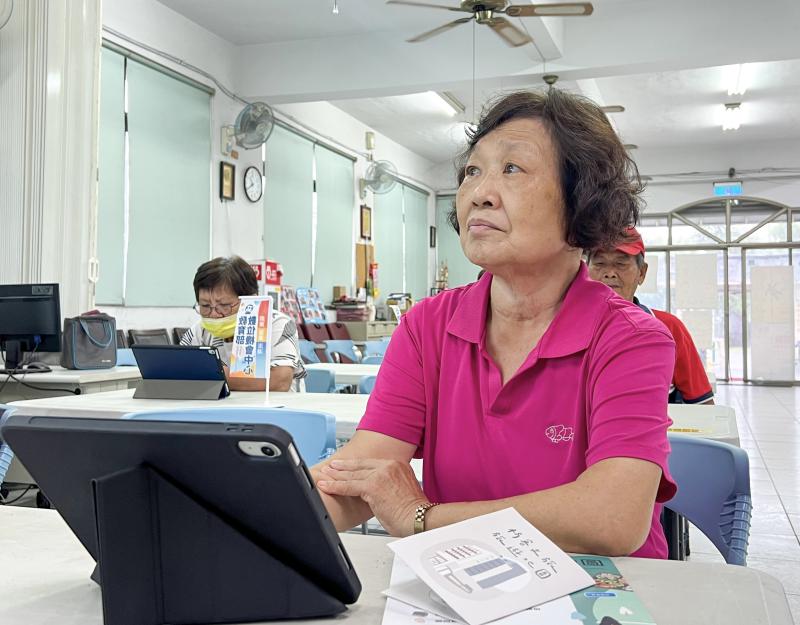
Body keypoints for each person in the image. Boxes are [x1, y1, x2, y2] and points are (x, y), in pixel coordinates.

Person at [313, 89, 678, 558]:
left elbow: (613, 517)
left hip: (605, 587)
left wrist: (421, 517)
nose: (479, 193)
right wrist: (251, 515)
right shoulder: (427, 326)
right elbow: (360, 474)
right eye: (472, 172)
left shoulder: (631, 337)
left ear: (581, 201)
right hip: (465, 575)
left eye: (512, 169)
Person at [586, 228, 714, 405]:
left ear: (642, 273)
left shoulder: (668, 328)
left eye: (621, 264)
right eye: (599, 264)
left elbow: (703, 406)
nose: (609, 273)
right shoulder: (565, 329)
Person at [180, 255, 306, 392]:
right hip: (221, 410)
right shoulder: (201, 331)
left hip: (276, 410)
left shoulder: (277, 324)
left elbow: (279, 382)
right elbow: (179, 369)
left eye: (224, 305)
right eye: (205, 305)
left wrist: (212, 374)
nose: (214, 314)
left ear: (250, 299)